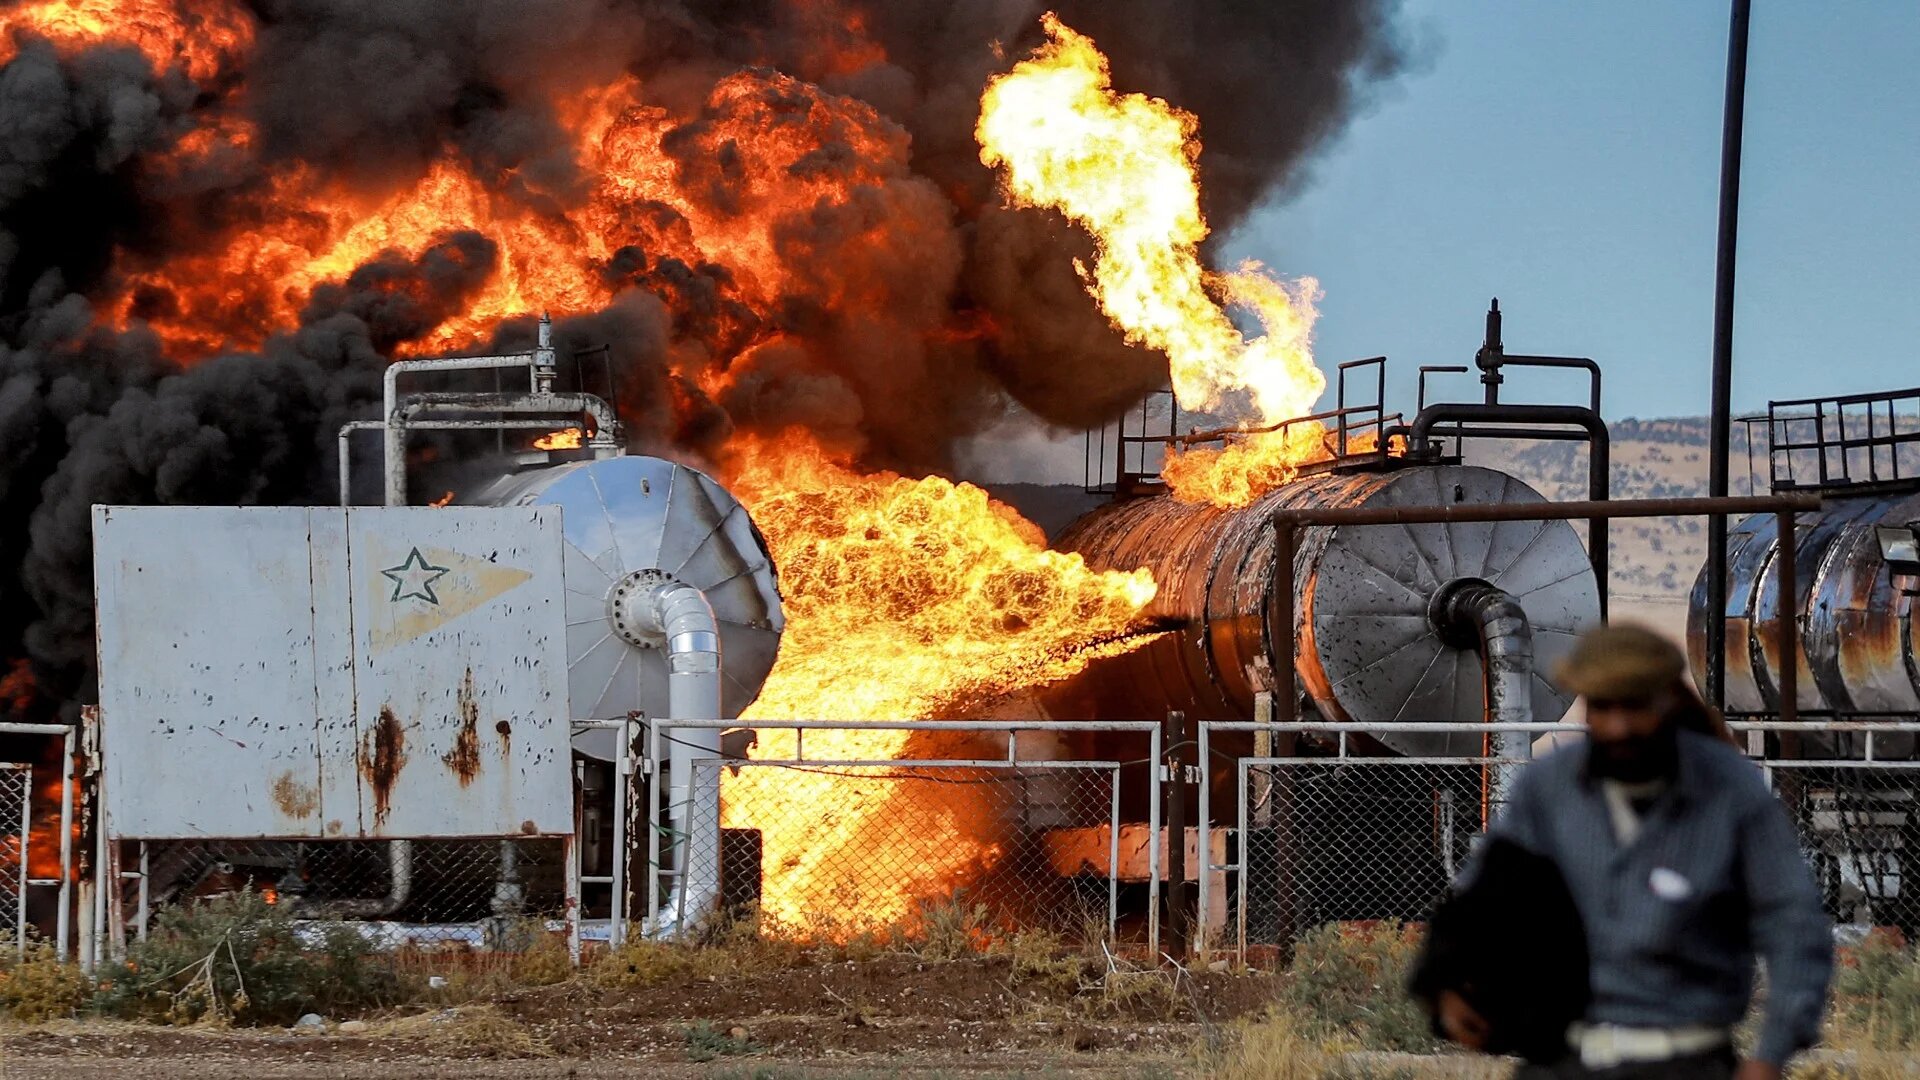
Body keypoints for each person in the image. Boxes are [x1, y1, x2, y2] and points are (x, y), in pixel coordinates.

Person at [1429, 623, 1832, 1078]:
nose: (1619, 727)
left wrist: (1772, 1052)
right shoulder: (1547, 790)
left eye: (1635, 706)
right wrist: (1449, 982)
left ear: (1666, 699)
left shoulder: (1731, 792)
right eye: (1603, 707)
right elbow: (1481, 902)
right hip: (1563, 1061)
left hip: (1685, 1062)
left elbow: (1792, 921)